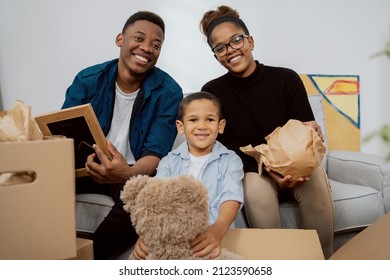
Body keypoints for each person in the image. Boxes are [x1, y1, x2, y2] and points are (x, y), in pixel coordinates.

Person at [199, 6, 334, 258]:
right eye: (221, 48)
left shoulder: (286, 79)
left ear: (250, 41)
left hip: (295, 164)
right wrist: (269, 168)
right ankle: (275, 263)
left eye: (236, 40)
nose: (231, 50)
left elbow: (305, 133)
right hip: (254, 170)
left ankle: (322, 261)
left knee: (315, 184)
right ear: (216, 56)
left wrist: (297, 161)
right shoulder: (212, 92)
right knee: (255, 189)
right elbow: (224, 149)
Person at [62, 11, 183, 259]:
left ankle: (91, 259)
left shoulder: (169, 91)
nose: (147, 48)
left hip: (133, 170)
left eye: (156, 45)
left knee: (148, 197)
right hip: (86, 166)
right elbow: (65, 137)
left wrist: (126, 173)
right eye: (139, 38)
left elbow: (155, 153)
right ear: (120, 39)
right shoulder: (87, 80)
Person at [131, 91, 244, 259]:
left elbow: (231, 196)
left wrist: (218, 229)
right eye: (193, 120)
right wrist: (147, 234)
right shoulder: (168, 162)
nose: (202, 126)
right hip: (174, 238)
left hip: (213, 235)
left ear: (221, 126)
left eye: (210, 120)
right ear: (180, 126)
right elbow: (157, 201)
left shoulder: (230, 160)